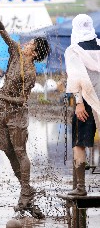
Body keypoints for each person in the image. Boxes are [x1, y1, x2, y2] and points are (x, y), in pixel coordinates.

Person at [0, 0, 50, 212]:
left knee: (20, 152)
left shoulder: (31, 73)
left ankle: (25, 193)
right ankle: (28, 190)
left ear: (34, 52)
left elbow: (23, 101)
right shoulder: (15, 52)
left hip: (17, 115)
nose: (26, 43)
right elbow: (2, 31)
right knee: (9, 151)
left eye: (30, 44)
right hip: (2, 112)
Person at [64, 14, 100, 196]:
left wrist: (78, 103)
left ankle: (80, 188)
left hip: (86, 100)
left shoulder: (74, 50)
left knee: (79, 143)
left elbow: (76, 78)